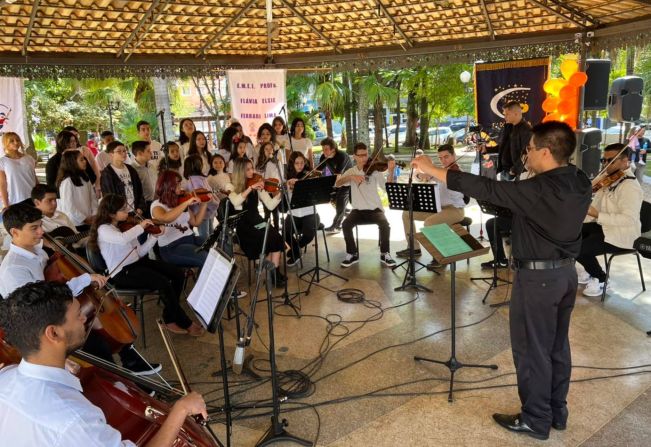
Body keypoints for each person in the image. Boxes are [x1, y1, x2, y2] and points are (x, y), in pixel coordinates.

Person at [412, 120, 592, 440]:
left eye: (530, 149)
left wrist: (433, 168)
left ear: (547, 153)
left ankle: (536, 418)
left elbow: (489, 188)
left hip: (538, 281)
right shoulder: (579, 180)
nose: (527, 154)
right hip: (564, 275)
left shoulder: (539, 189)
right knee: (556, 347)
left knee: (532, 350)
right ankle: (556, 411)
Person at [0, 281, 207, 446]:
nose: (85, 318)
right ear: (53, 333)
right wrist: (181, 409)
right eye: (77, 315)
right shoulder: (73, 421)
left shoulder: (6, 377)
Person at [0, 202, 161, 374]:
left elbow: (53, 280)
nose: (41, 232)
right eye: (34, 228)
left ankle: (131, 364)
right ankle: (118, 380)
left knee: (98, 317)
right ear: (14, 232)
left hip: (55, 309)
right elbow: (39, 306)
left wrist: (56, 247)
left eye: (41, 226)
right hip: (42, 324)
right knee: (95, 336)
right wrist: (85, 279)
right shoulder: (14, 269)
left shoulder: (36, 250)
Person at [90, 194, 204, 336]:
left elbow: (140, 252)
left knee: (177, 274)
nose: (127, 212)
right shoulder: (104, 229)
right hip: (122, 273)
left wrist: (153, 237)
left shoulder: (125, 227)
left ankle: (169, 317)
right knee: (163, 283)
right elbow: (122, 239)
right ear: (112, 213)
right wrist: (141, 226)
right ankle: (184, 322)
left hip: (138, 263)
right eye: (123, 210)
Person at [577, 143, 643, 297]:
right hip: (605, 227)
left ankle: (602, 279)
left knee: (578, 248)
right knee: (569, 234)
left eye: (611, 161)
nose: (606, 164)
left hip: (622, 235)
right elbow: (588, 188)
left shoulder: (630, 187)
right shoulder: (608, 178)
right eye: (604, 160)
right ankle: (589, 270)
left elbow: (628, 219)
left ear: (625, 161)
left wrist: (597, 214)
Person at [395, 144, 466, 262]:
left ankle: (441, 256)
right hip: (438, 208)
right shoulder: (439, 171)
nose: (443, 160)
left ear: (454, 155)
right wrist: (419, 172)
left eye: (446, 157)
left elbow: (443, 180)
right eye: (440, 158)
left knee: (430, 222)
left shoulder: (457, 173)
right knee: (407, 213)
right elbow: (421, 177)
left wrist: (432, 174)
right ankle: (414, 248)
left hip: (455, 210)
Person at [336, 142, 396, 268]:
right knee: (346, 224)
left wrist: (390, 171)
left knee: (385, 225)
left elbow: (387, 188)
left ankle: (385, 253)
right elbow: (338, 183)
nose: (364, 158)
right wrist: (351, 177)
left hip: (375, 210)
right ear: (354, 157)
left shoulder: (374, 171)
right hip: (357, 210)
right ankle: (352, 254)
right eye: (360, 155)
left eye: (366, 155)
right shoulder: (351, 171)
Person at [228, 159, 286, 286]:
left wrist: (281, 193)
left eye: (252, 168)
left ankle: (274, 274)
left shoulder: (257, 184)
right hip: (244, 227)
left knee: (276, 237)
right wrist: (250, 188)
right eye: (248, 169)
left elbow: (270, 206)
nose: (252, 171)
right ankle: (266, 268)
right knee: (265, 239)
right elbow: (236, 202)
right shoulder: (231, 186)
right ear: (240, 171)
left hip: (257, 220)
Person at [151, 171, 209, 267]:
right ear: (167, 185)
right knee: (205, 258)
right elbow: (165, 218)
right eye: (176, 183)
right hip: (172, 246)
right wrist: (186, 203)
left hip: (190, 238)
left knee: (216, 249)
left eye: (180, 182)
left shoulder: (180, 200)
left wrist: (205, 202)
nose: (180, 185)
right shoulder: (157, 205)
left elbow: (195, 222)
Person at [284, 152, 320, 266]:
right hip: (294, 213)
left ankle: (295, 250)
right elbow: (285, 199)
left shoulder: (308, 175)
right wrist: (287, 186)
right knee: (285, 232)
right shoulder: (287, 178)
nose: (300, 166)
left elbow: (316, 194)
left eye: (302, 163)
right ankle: (296, 252)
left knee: (309, 234)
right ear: (292, 164)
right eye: (297, 163)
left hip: (310, 212)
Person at [488, 101, 532, 180]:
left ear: (516, 114)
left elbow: (527, 154)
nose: (505, 117)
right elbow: (502, 147)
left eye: (507, 114)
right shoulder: (508, 127)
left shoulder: (526, 129)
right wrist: (486, 149)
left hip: (517, 174)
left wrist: (514, 170)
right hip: (504, 171)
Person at [100, 141, 146, 216]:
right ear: (111, 154)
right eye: (119, 151)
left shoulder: (131, 169)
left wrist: (140, 207)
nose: (124, 153)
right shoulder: (107, 173)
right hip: (120, 214)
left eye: (124, 151)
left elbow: (139, 189)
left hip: (136, 211)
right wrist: (119, 213)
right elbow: (109, 197)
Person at [56, 151, 98, 231]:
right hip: (76, 223)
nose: (85, 161)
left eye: (84, 159)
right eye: (81, 160)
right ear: (72, 163)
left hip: (90, 219)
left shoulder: (85, 178)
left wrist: (94, 214)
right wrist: (83, 219)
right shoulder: (67, 181)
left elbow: (93, 197)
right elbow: (69, 205)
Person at [318, 137, 352, 233]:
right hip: (338, 181)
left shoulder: (342, 156)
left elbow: (338, 177)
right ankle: (345, 212)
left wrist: (330, 187)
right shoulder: (324, 156)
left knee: (340, 199)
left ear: (333, 149)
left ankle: (336, 226)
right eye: (323, 149)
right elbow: (318, 171)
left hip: (348, 180)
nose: (323, 151)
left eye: (326, 149)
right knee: (330, 198)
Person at [183, 154, 218, 243]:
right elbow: (202, 197)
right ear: (198, 166)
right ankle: (205, 251)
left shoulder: (199, 178)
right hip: (202, 213)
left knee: (210, 232)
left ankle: (209, 249)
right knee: (205, 235)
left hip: (207, 211)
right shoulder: (195, 180)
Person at [0, 132, 37, 212]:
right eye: (11, 141)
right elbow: (2, 185)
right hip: (15, 200)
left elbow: (34, 178)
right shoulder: (3, 162)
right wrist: (6, 205)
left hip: (33, 198)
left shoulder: (29, 158)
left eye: (17, 140)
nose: (16, 142)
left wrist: (40, 195)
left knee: (36, 223)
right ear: (5, 143)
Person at [255, 141, 283, 229]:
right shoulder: (260, 163)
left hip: (274, 189)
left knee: (275, 212)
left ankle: (277, 229)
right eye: (266, 149)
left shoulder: (277, 162)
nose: (269, 151)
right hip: (264, 190)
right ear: (263, 151)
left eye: (271, 149)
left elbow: (281, 176)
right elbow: (258, 176)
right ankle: (267, 232)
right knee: (266, 212)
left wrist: (279, 188)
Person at [129, 140, 157, 216]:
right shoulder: (131, 169)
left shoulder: (151, 166)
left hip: (156, 201)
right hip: (143, 205)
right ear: (140, 153)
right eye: (148, 151)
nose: (151, 153)